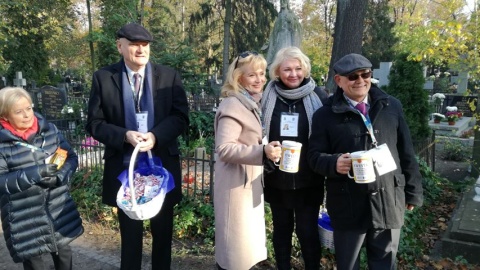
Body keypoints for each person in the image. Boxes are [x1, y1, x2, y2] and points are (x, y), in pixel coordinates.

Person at [85, 22, 189, 270]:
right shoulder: (103, 78)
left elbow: (180, 117)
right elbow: (94, 123)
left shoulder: (169, 76)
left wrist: (155, 136)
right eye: (134, 44)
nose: (141, 50)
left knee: (163, 234)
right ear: (120, 46)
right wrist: (124, 135)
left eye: (145, 45)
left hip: (161, 166)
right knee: (130, 236)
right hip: (125, 170)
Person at [307, 53, 424, 270]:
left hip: (388, 199)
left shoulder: (391, 106)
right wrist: (333, 163)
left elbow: (406, 151)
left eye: (365, 74)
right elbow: (313, 157)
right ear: (339, 81)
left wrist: (413, 192)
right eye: (352, 77)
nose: (360, 80)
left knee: (385, 263)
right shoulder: (325, 115)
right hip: (348, 204)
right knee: (348, 265)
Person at [0, 87, 83, 270]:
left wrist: (60, 177)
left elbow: (70, 157)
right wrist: (35, 174)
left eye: (28, 108)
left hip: (55, 206)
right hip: (24, 215)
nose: (27, 115)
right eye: (18, 111)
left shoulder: (49, 129)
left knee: (64, 254)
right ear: (5, 116)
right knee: (34, 261)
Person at [261, 46, 328, 270]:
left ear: (305, 70)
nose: (293, 74)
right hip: (277, 176)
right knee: (281, 229)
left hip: (309, 177)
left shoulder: (318, 96)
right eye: (287, 69)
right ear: (277, 72)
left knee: (307, 230)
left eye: (298, 68)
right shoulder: (266, 95)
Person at [214, 51, 282, 270]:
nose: (260, 79)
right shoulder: (233, 104)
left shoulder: (250, 102)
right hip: (235, 185)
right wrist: (262, 151)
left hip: (247, 184)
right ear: (238, 78)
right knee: (234, 250)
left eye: (262, 74)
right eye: (252, 75)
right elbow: (224, 149)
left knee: (243, 247)